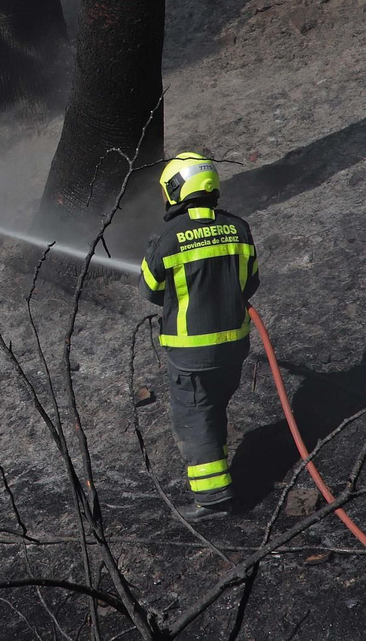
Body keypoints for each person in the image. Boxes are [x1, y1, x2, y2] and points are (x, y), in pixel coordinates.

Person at [140, 151, 259, 521]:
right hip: (234, 347)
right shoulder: (238, 228)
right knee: (214, 407)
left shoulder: (169, 238)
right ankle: (219, 470)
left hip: (191, 354)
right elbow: (250, 283)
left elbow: (150, 289)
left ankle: (213, 499)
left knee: (193, 416)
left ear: (176, 189)